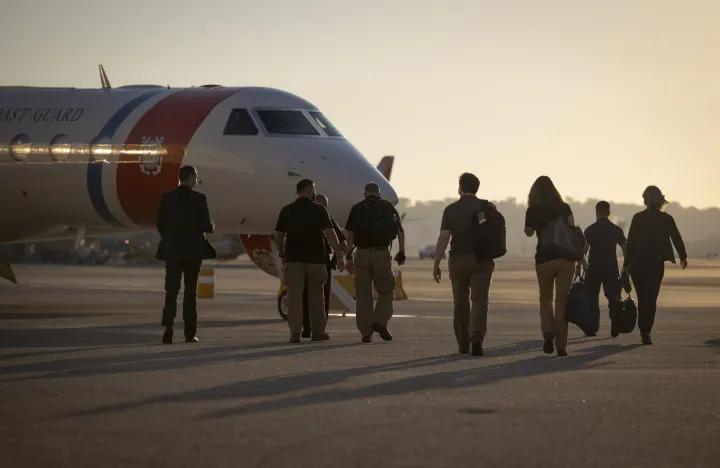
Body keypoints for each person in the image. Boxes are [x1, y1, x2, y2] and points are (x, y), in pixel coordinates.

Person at [274, 179, 346, 343]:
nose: (314, 193)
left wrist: (283, 252)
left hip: (293, 260)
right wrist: (339, 254)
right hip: (316, 261)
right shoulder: (319, 210)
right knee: (316, 297)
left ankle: (295, 334)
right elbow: (329, 233)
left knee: (294, 298)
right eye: (313, 190)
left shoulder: (287, 210)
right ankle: (318, 333)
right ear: (308, 191)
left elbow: (278, 235)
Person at [432, 173, 496, 356]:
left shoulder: (451, 210)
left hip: (458, 259)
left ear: (460, 188)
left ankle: (463, 342)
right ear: (477, 188)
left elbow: (444, 238)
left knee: (460, 301)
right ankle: (477, 337)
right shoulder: (487, 207)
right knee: (480, 300)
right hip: (482, 259)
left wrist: (436, 263)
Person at [156, 165, 216, 344]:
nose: (197, 180)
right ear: (190, 177)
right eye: (196, 176)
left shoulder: (167, 198)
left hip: (172, 251)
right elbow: (205, 225)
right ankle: (190, 333)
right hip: (192, 252)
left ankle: (168, 328)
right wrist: (212, 226)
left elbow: (160, 224)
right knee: (190, 292)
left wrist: (172, 238)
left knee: (171, 291)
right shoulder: (199, 199)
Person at [524, 175, 583, 357]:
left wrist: (537, 223)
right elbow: (572, 228)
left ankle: (548, 332)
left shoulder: (533, 210)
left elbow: (528, 232)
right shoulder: (564, 207)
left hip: (544, 259)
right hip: (566, 259)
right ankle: (561, 346)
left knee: (545, 297)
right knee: (562, 300)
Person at [622, 186, 687, 345]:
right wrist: (683, 256)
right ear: (660, 200)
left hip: (637, 264)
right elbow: (676, 238)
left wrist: (626, 265)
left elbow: (630, 243)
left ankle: (644, 328)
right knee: (650, 298)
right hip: (655, 264)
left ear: (645, 200)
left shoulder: (638, 217)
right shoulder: (666, 219)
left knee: (643, 296)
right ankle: (646, 330)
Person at [345, 182, 406, 343]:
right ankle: (379, 321)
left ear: (365, 194)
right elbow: (400, 231)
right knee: (386, 291)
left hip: (362, 254)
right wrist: (402, 251)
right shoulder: (388, 207)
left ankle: (366, 333)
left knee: (363, 294)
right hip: (381, 253)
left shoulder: (357, 208)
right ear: (379, 193)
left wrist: (348, 257)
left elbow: (350, 235)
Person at [301, 193, 347, 338]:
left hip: (302, 260)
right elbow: (342, 242)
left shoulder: (303, 217)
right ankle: (319, 329)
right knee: (322, 296)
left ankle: (306, 328)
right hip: (322, 261)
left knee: (304, 295)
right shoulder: (327, 218)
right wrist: (341, 256)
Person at [583, 201, 627, 328]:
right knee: (614, 297)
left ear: (596, 212)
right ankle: (615, 321)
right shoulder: (616, 230)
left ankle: (592, 326)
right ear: (609, 212)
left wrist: (580, 267)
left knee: (592, 297)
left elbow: (583, 251)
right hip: (611, 268)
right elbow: (625, 249)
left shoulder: (590, 230)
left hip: (593, 269)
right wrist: (625, 266)